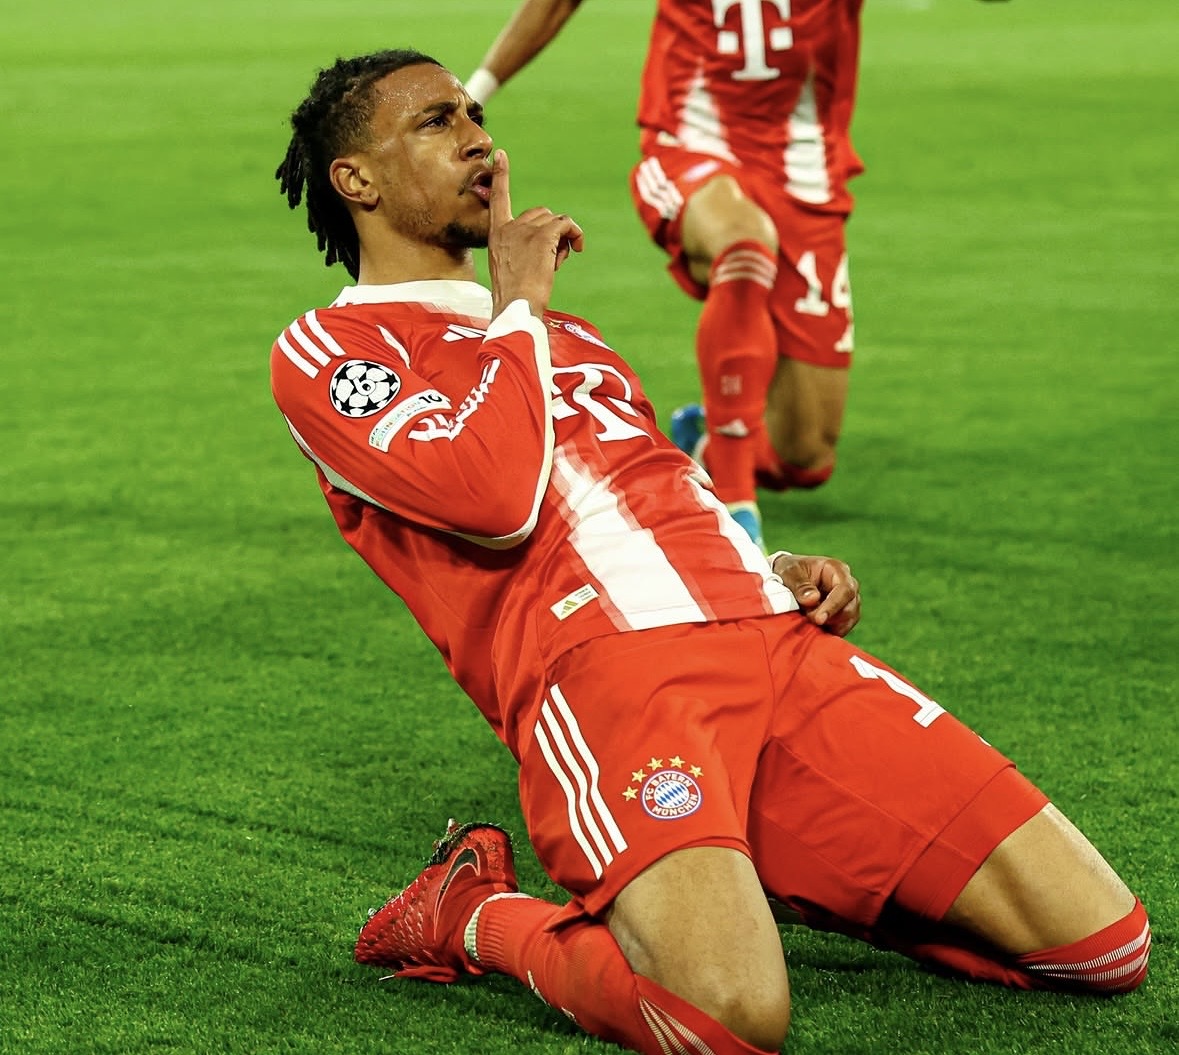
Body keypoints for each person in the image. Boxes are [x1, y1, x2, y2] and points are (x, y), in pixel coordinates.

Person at [271, 49, 1149, 1055]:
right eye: (436, 122)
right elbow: (493, 496)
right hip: (611, 674)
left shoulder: (574, 335)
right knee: (724, 1020)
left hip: (774, 645)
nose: (479, 138)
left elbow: (649, 487)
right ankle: (474, 912)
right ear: (356, 179)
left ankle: (762, 867)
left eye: (474, 114)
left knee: (1103, 944)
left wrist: (763, 567)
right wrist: (518, 308)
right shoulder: (335, 350)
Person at [466, 0, 1006, 548]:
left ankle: (706, 439)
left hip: (807, 176)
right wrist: (477, 93)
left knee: (805, 454)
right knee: (744, 244)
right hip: (690, 147)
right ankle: (737, 501)